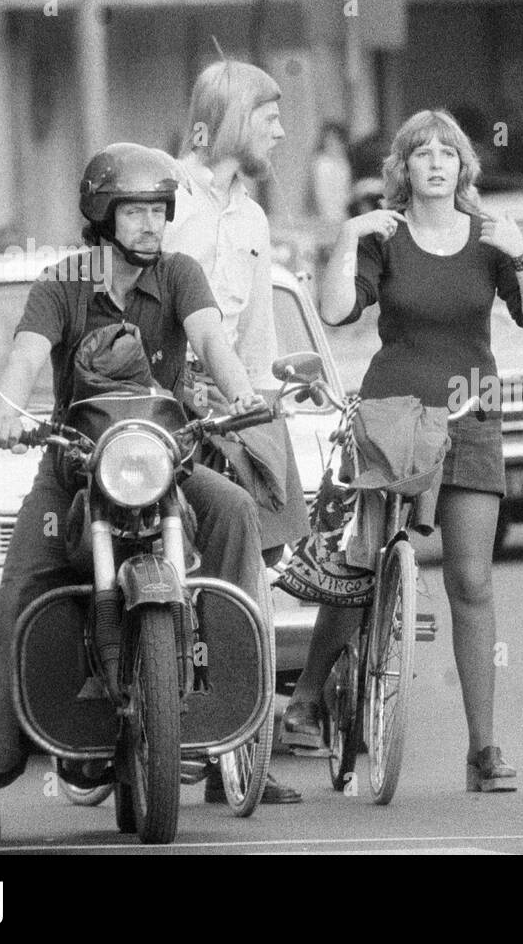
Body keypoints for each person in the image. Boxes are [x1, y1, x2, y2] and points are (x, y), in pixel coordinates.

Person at [0, 143, 272, 842]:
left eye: (157, 210)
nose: (149, 224)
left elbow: (212, 338)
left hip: (165, 460)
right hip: (76, 469)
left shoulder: (180, 275)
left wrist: (244, 393)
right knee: (20, 588)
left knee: (232, 507)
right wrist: (4, 407)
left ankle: (230, 689)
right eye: (134, 210)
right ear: (101, 215)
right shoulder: (63, 281)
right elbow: (26, 351)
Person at [286, 109, 523, 791]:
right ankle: (308, 696)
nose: (435, 162)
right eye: (421, 153)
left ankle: (484, 751)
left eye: (447, 152)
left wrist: (522, 250)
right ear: (402, 169)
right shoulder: (386, 236)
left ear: (464, 165)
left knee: (471, 579)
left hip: (471, 411)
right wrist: (348, 235)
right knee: (362, 559)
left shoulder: (490, 237)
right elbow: (336, 311)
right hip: (392, 414)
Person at [163, 58, 308, 806]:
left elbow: (251, 341)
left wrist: (264, 419)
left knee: (255, 573)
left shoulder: (252, 219)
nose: (281, 130)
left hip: (235, 408)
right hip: (160, 413)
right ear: (226, 119)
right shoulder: (161, 197)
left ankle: (243, 748)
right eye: (268, 116)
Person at [307, 120, 353, 224]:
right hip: (327, 217)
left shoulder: (344, 162)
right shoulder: (322, 163)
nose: (332, 144)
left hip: (343, 214)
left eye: (336, 141)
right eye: (329, 141)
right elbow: (321, 196)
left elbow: (346, 191)